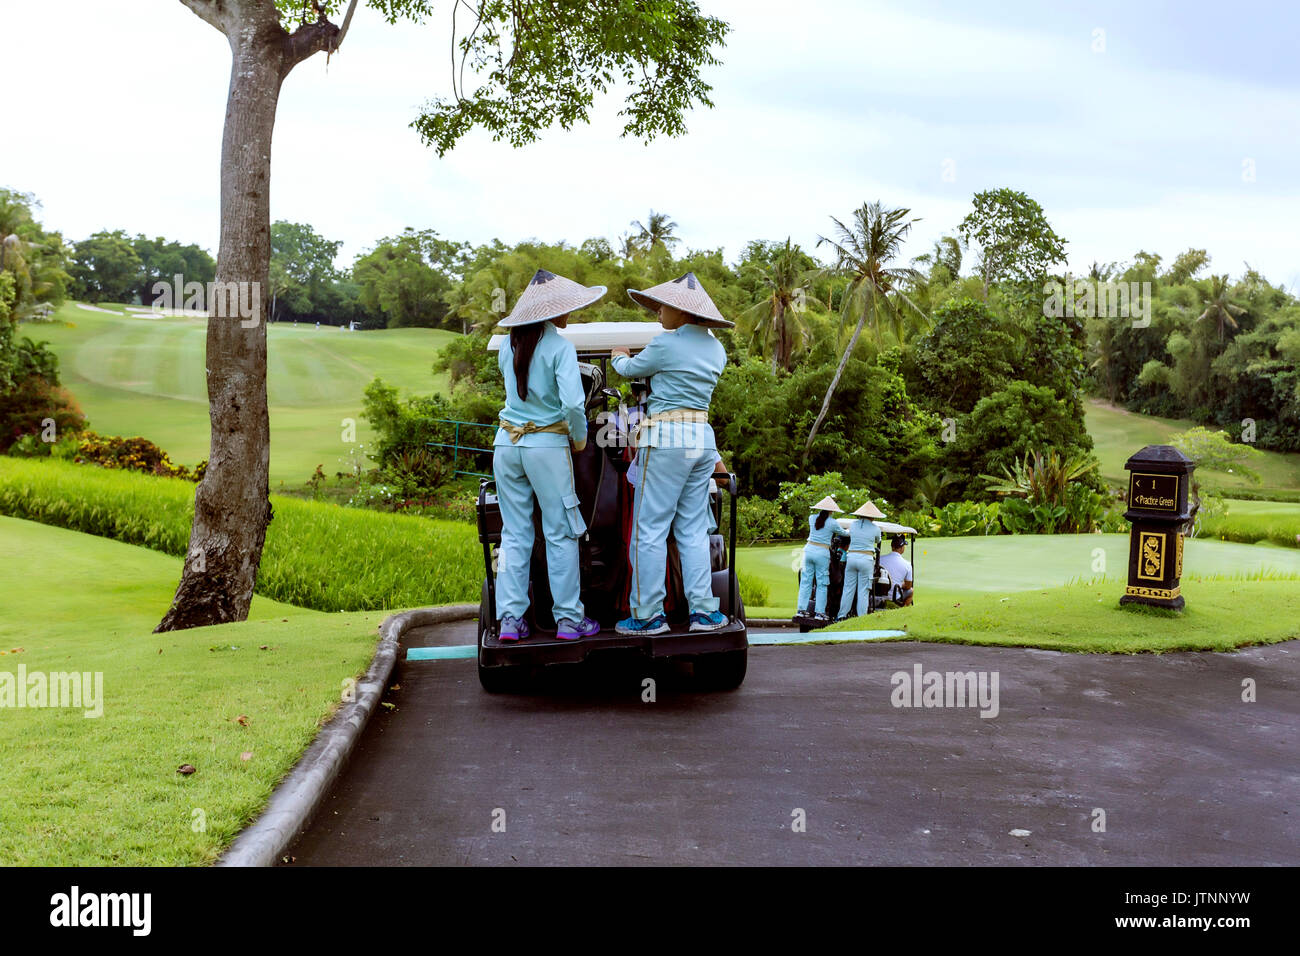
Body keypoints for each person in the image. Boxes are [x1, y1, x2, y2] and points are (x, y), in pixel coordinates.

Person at [609, 272, 733, 635]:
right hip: (701, 439)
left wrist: (618, 357)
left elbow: (631, 369)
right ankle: (703, 612)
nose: (658, 312)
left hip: (665, 436)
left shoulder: (666, 343)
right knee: (693, 528)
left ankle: (648, 614)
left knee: (648, 529)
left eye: (663, 306)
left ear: (681, 311)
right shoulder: (716, 349)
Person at [492, 269, 605, 642]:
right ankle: (569, 619)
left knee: (514, 533)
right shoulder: (560, 347)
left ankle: (510, 619)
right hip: (546, 446)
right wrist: (579, 439)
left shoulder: (509, 345)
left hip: (506, 444)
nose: (569, 314)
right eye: (565, 308)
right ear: (550, 313)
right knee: (561, 532)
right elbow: (574, 404)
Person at [836, 501, 885, 620]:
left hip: (851, 557)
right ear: (872, 516)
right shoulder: (876, 528)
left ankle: (842, 616)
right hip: (866, 559)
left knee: (848, 588)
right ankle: (861, 618)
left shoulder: (853, 525)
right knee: (863, 590)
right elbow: (878, 540)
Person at [796, 496, 842, 620]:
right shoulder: (833, 522)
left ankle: (801, 609)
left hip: (808, 550)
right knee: (822, 582)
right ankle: (819, 612)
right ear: (831, 511)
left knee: (806, 581)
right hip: (822, 553)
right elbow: (843, 533)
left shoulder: (812, 518)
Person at [878, 534, 914, 606]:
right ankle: (902, 610)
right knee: (911, 591)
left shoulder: (880, 559)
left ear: (892, 547)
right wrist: (899, 584)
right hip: (894, 596)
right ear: (902, 548)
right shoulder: (907, 564)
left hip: (878, 594)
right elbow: (908, 586)